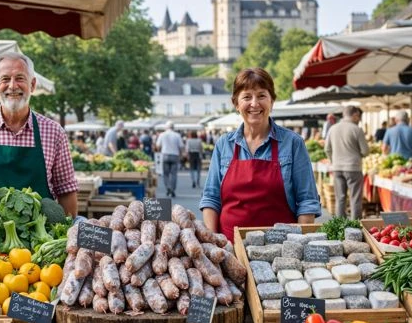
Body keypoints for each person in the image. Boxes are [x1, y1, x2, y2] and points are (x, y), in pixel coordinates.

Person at [200, 68, 320, 240]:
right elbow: (211, 199)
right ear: (236, 103)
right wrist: (212, 244)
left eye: (261, 96)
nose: (254, 104)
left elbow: (307, 202)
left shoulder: (293, 143)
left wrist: (299, 244)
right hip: (228, 249)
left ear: (272, 101)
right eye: (247, 97)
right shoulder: (224, 145)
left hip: (280, 252)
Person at [0, 52, 78, 216]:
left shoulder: (54, 133)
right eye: (5, 79)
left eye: (20, 78)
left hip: (41, 238)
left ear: (32, 85)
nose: (12, 86)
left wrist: (66, 234)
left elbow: (66, 190)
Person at [325, 105, 370, 220]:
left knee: (340, 198)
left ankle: (340, 225)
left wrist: (333, 160)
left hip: (337, 168)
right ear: (354, 115)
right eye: (358, 117)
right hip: (353, 168)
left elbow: (327, 149)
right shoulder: (357, 129)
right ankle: (355, 228)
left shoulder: (333, 128)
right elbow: (365, 151)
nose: (359, 119)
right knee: (355, 199)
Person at [156, 122, 184, 197]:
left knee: (165, 174)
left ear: (166, 127)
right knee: (174, 174)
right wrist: (181, 155)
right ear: (173, 127)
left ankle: (168, 187)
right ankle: (172, 189)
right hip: (175, 155)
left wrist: (159, 152)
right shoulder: (177, 135)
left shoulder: (162, 134)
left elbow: (158, 146)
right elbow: (181, 146)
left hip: (165, 154)